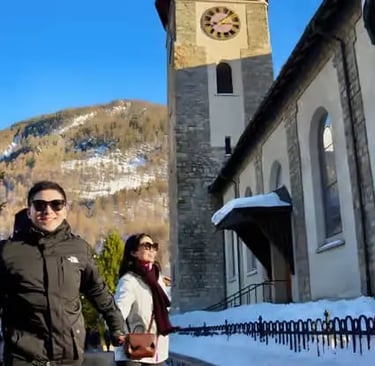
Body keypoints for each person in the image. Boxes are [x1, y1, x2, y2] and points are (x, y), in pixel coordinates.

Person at [0, 181, 125, 366]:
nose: (48, 211)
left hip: (69, 356)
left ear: (65, 210)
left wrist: (117, 327)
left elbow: (98, 291)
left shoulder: (79, 249)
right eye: (40, 205)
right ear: (29, 211)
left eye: (56, 204)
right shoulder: (8, 252)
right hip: (23, 357)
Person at [114, 234, 173, 366]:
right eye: (147, 246)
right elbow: (117, 312)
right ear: (134, 252)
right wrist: (117, 331)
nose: (152, 250)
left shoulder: (158, 279)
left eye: (154, 246)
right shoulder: (129, 281)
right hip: (133, 351)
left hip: (157, 351)